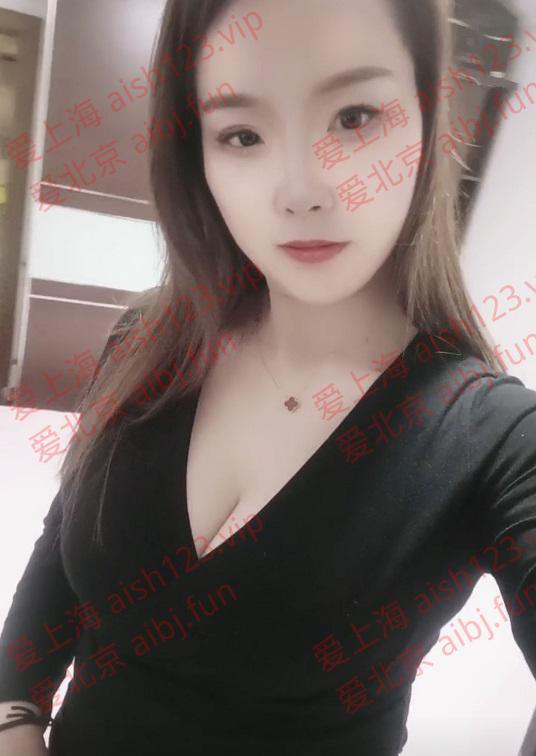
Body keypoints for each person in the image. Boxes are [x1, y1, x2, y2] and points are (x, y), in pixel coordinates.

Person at [0, 0, 535, 754]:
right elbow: (63, 546)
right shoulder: (147, 338)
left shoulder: (494, 439)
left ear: (426, 125)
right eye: (242, 134)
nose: (299, 189)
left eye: (354, 117)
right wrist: (15, 715)